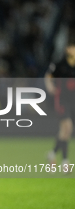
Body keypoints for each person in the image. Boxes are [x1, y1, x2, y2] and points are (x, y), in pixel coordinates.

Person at [45, 40, 75, 171]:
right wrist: (50, 86)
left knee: (66, 131)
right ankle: (65, 162)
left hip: (73, 100)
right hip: (61, 99)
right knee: (67, 127)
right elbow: (48, 76)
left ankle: (52, 153)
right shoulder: (60, 64)